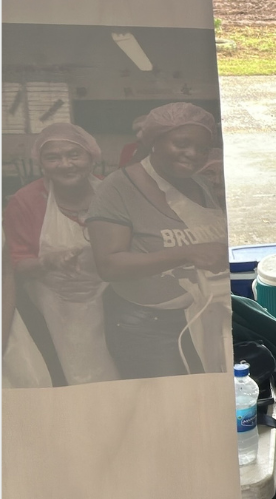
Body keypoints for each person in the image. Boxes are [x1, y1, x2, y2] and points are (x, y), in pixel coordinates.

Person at [86, 102, 230, 378]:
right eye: (182, 143)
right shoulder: (118, 188)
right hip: (149, 331)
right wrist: (187, 254)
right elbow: (109, 265)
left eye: (203, 148)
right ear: (155, 140)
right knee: (167, 411)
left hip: (203, 318)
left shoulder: (197, 183)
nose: (194, 154)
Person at [2, 121, 118, 384]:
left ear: (91, 156)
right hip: (51, 308)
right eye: (53, 158)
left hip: (112, 301)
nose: (65, 164)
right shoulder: (25, 200)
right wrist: (48, 262)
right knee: (64, 379)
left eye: (73, 155)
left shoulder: (113, 192)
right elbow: (17, 264)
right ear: (41, 163)